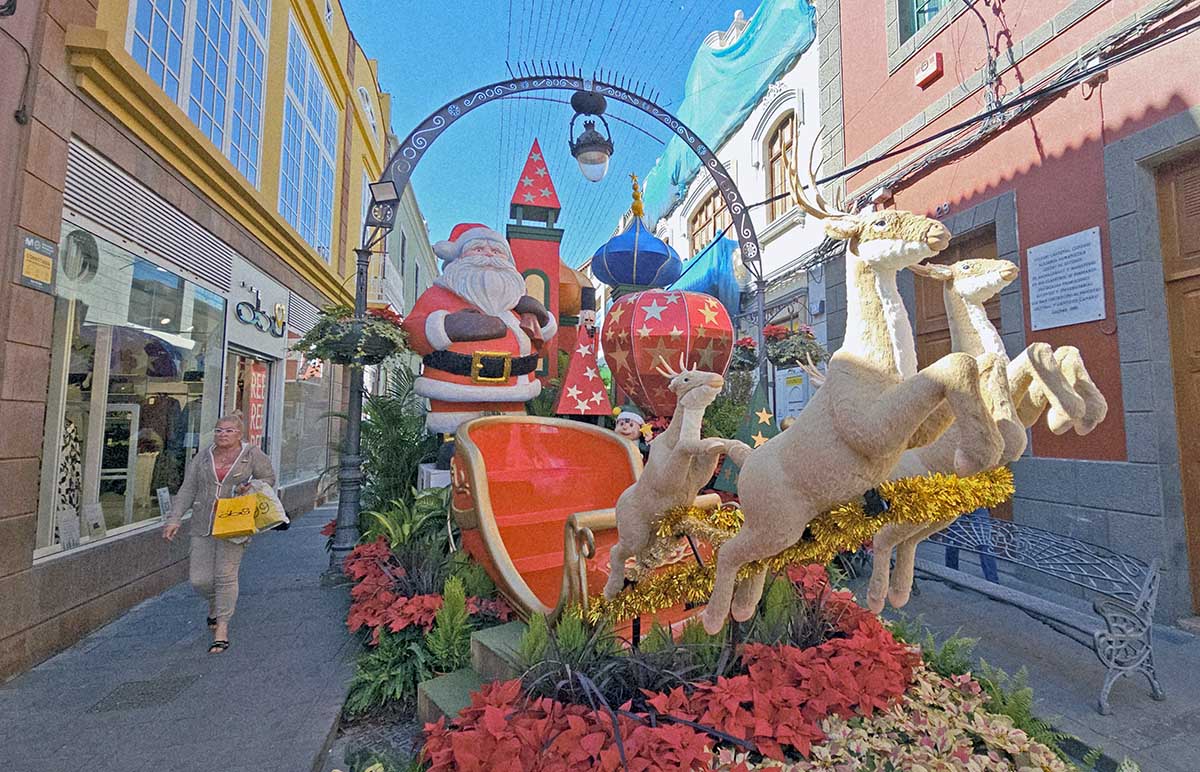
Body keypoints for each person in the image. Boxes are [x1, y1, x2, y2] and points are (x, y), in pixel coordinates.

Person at [402, 223, 556, 467]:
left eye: (497, 251)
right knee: (458, 447)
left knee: (508, 447)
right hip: (454, 392)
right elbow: (411, 333)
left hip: (512, 395)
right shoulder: (438, 297)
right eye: (478, 249)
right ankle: (452, 445)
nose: (489, 255)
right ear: (458, 256)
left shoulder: (517, 307)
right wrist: (447, 325)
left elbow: (540, 351)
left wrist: (542, 323)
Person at [162, 412, 276, 654]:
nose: (222, 435)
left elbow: (268, 477)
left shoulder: (251, 455)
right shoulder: (203, 457)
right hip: (203, 522)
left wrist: (250, 487)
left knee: (225, 575)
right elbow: (188, 488)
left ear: (239, 434)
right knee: (199, 579)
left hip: (234, 521)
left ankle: (222, 627)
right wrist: (175, 519)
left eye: (228, 431)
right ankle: (214, 602)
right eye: (219, 430)